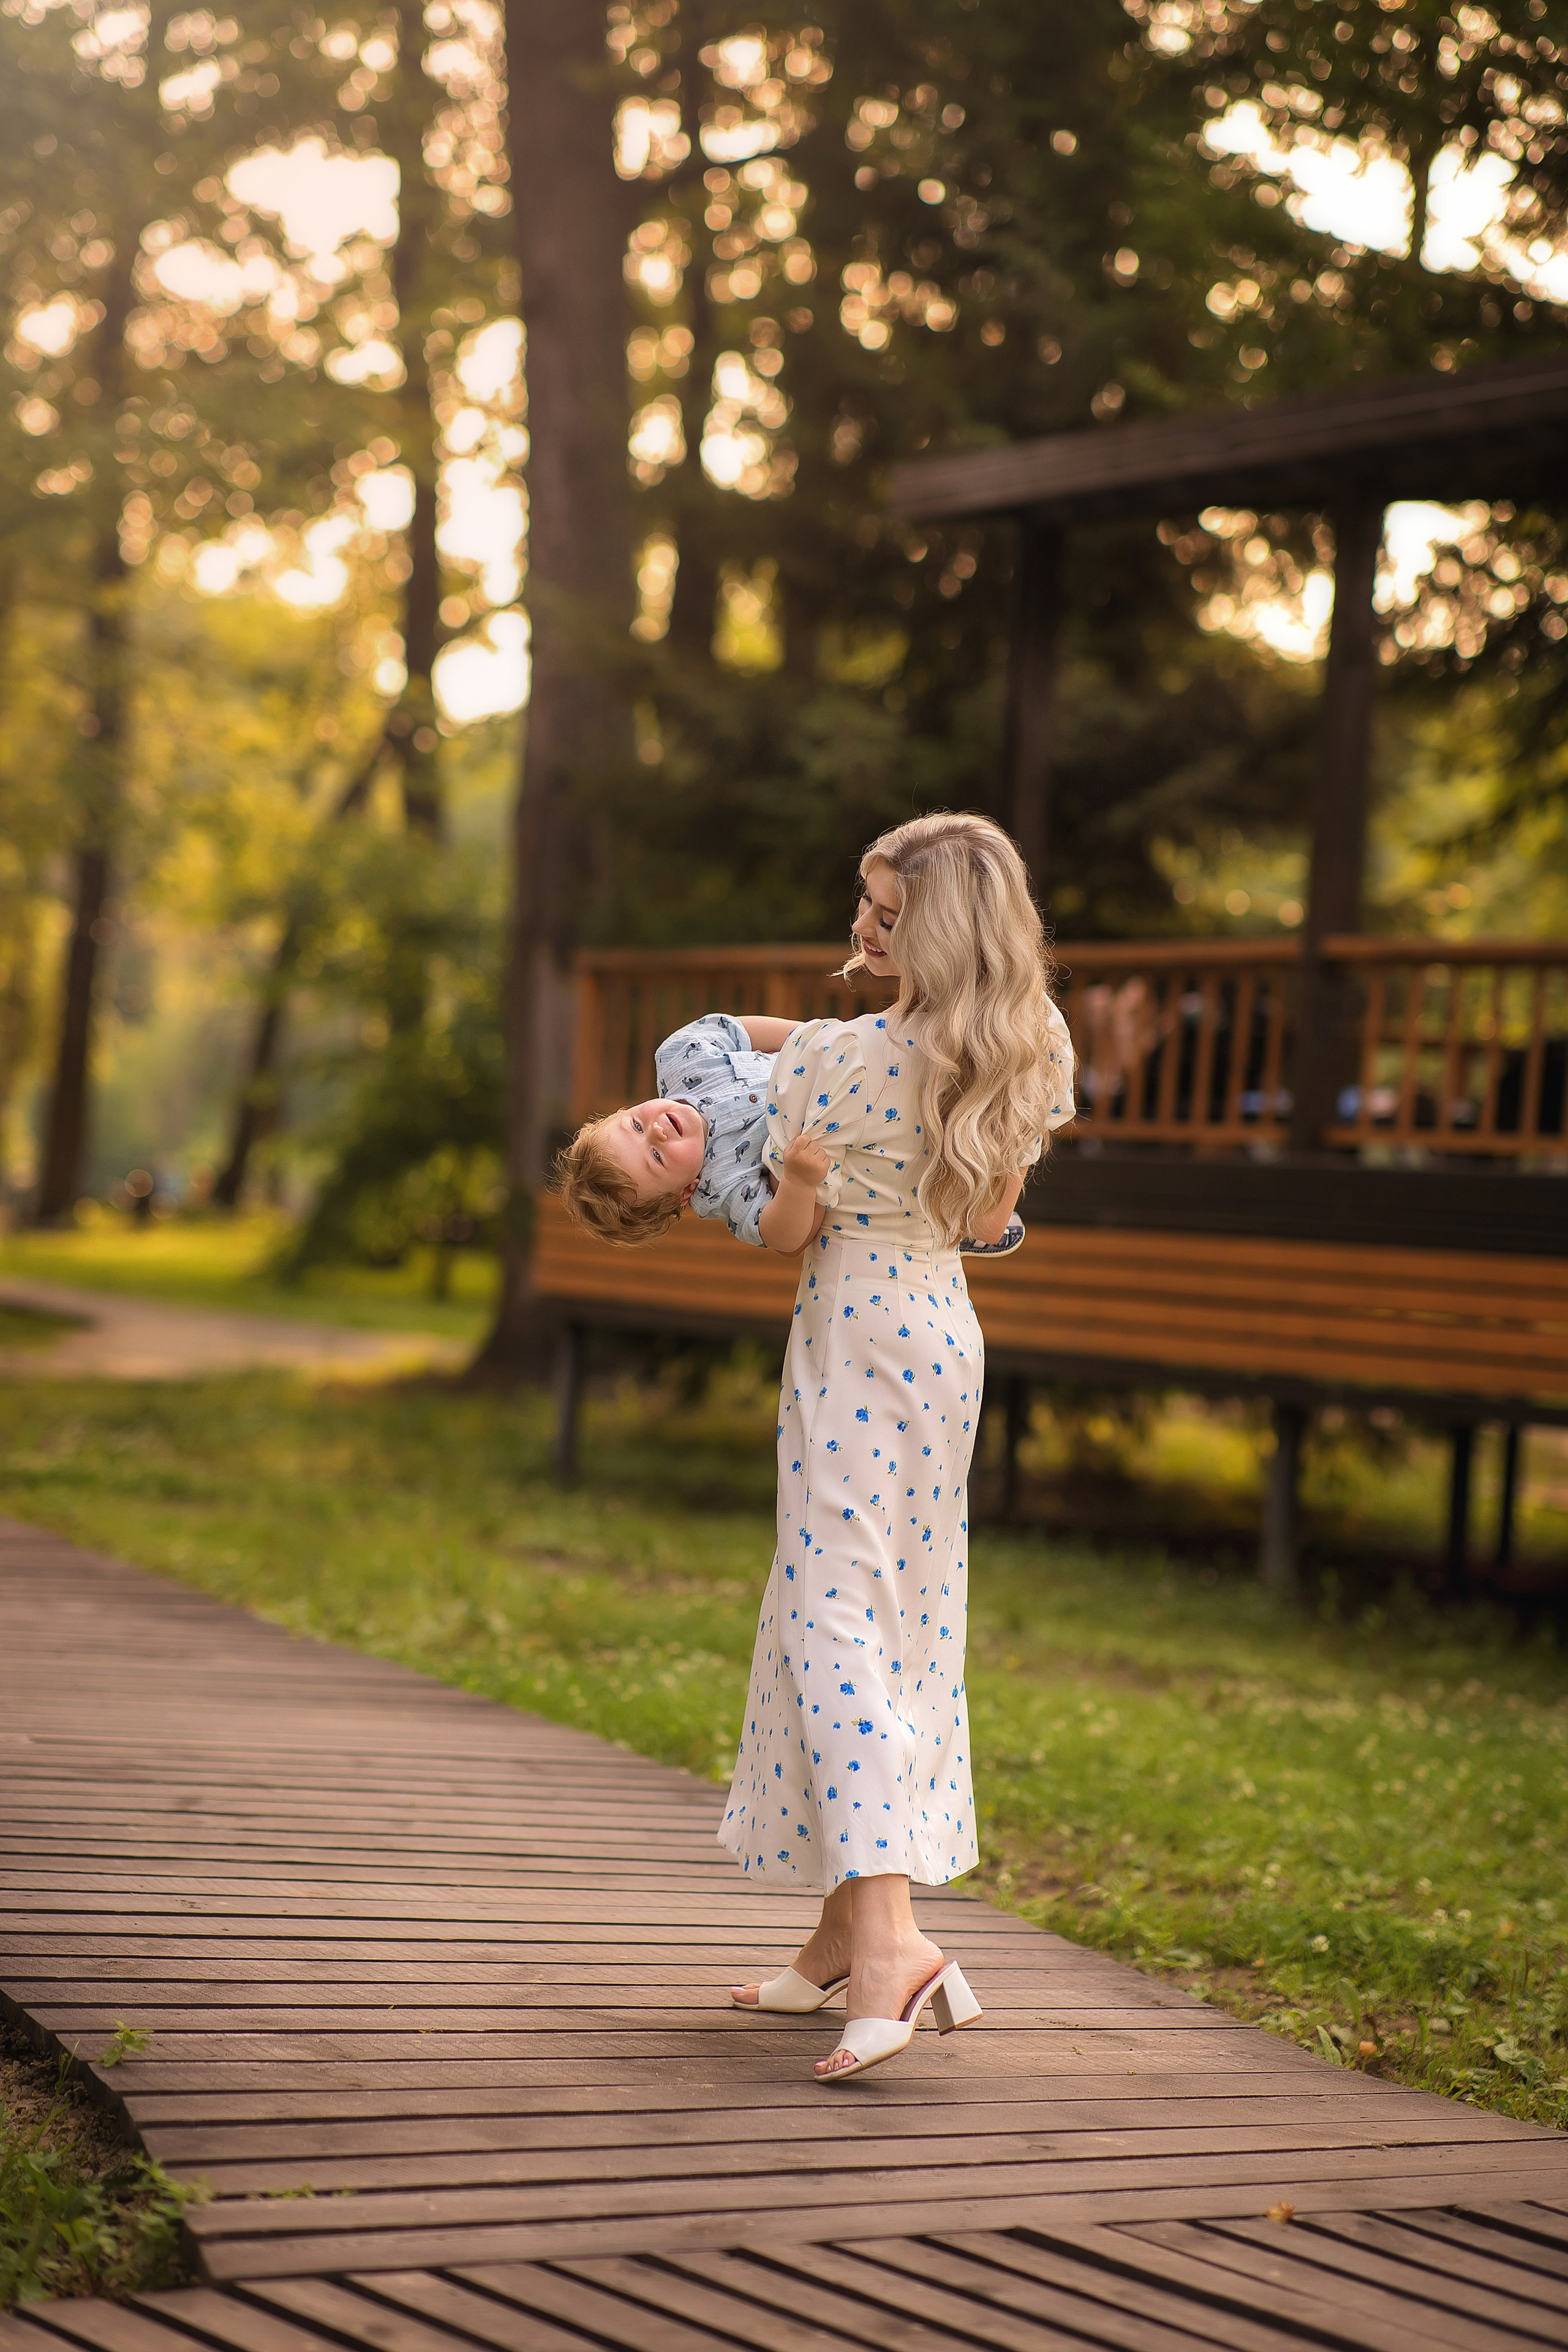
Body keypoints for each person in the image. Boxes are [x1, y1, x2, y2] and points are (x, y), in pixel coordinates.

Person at [723, 812, 1075, 2082]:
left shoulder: (832, 1064)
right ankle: (832, 1943)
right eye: (862, 902)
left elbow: (766, 1175)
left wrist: (739, 1037)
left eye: (883, 911)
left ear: (933, 927)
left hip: (854, 1335)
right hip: (945, 1334)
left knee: (829, 1617)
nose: (862, 925)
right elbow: (989, 1220)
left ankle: (891, 1941)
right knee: (901, 1613)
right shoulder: (1032, 1050)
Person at [556, 1011, 1030, 1259]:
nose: (657, 1130)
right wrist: (801, 1184)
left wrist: (815, 1039)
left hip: (849, 1072)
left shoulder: (683, 1059)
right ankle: (964, 1203)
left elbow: (744, 1031)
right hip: (865, 1137)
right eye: (657, 1157)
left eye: (636, 1125)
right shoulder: (724, 1185)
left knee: (937, 1070)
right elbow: (785, 1237)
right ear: (686, 1193)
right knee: (935, 1137)